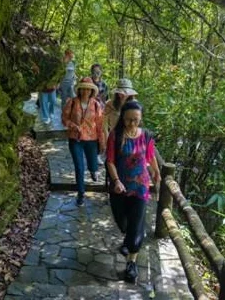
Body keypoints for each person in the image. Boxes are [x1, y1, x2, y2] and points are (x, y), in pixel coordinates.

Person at [106, 100, 161, 283]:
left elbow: (150, 156)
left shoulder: (146, 135)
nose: (132, 123)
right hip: (119, 187)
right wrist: (116, 181)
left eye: (136, 120)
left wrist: (156, 173)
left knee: (136, 224)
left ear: (141, 118)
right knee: (123, 222)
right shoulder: (115, 135)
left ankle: (131, 263)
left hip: (140, 187)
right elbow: (110, 161)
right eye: (129, 119)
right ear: (122, 117)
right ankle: (128, 240)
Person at [62, 77, 106, 206]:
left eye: (88, 89)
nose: (85, 91)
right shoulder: (72, 102)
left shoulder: (96, 104)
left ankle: (93, 171)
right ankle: (81, 194)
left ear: (91, 90)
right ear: (79, 90)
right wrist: (72, 125)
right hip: (75, 139)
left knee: (93, 165)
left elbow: (99, 124)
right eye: (83, 88)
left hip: (92, 139)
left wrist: (102, 141)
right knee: (79, 167)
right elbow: (64, 118)